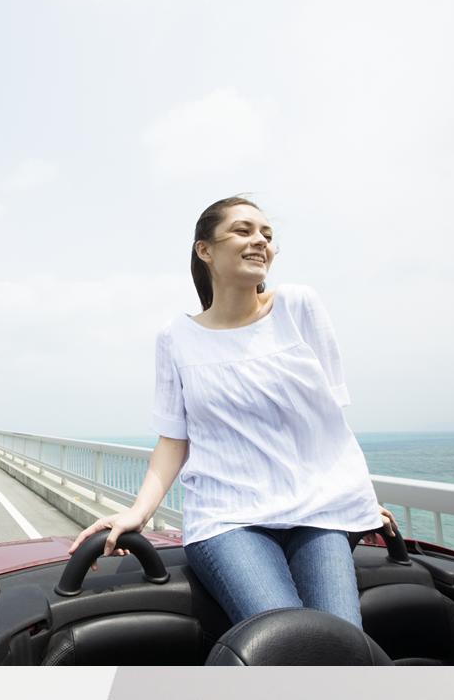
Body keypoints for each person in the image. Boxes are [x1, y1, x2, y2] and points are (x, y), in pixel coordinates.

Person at [68, 195, 398, 630]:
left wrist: (361, 497)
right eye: (243, 231)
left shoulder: (299, 307)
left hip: (320, 511)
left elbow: (327, 421)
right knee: (284, 637)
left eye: (268, 235)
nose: (260, 241)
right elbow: (173, 440)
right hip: (228, 518)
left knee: (342, 638)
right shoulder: (176, 338)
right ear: (204, 250)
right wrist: (138, 513)